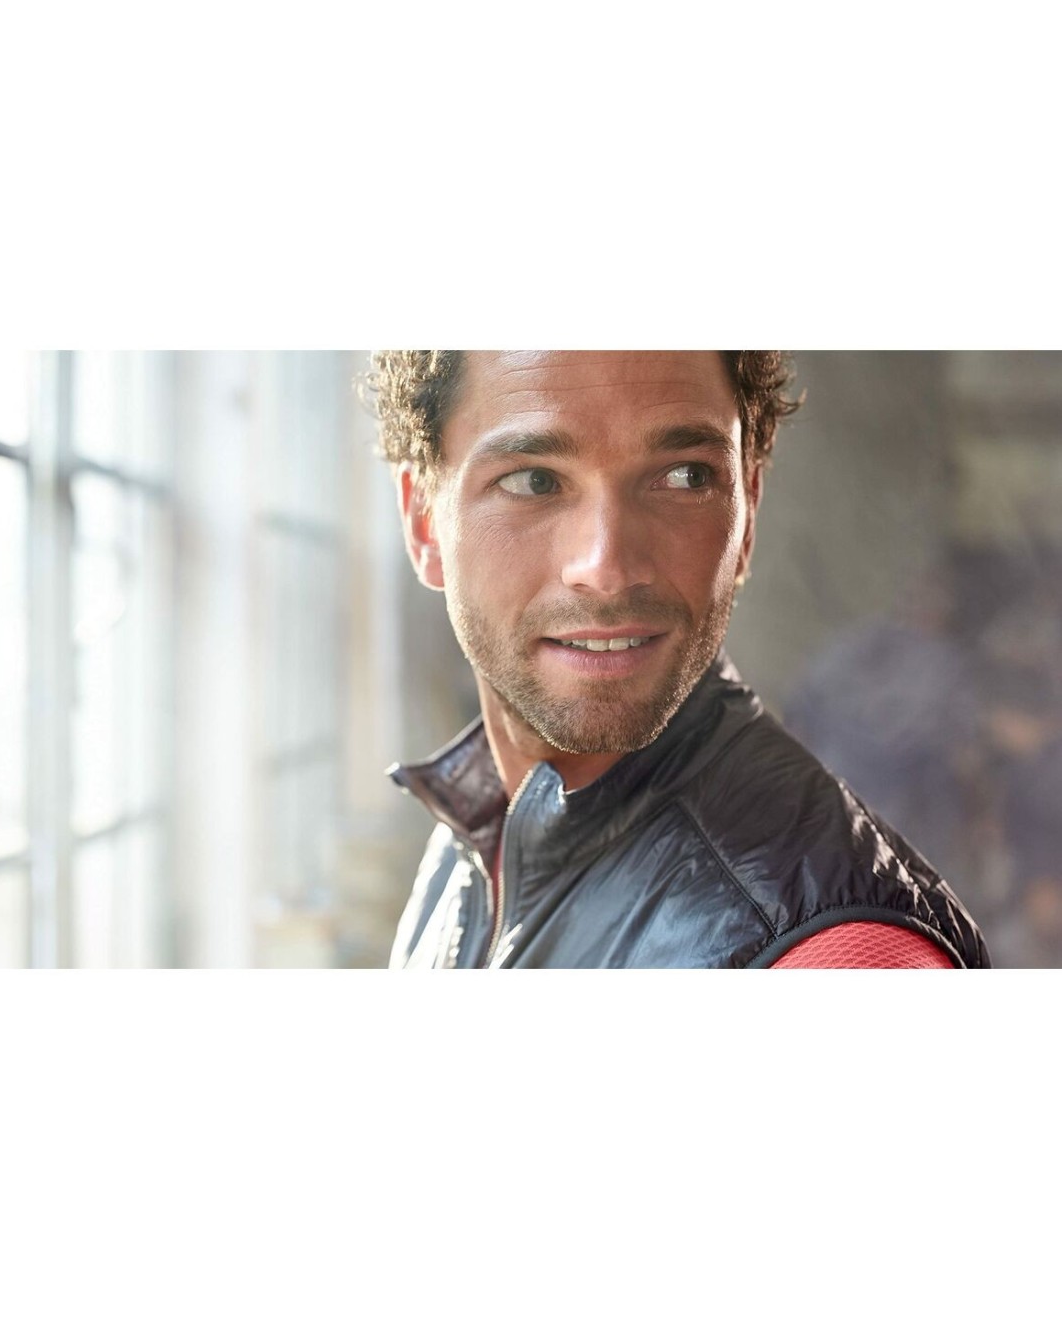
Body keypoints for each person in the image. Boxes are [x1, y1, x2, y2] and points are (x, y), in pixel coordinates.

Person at [368, 351, 990, 969]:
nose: (607, 568)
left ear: (747, 516)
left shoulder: (841, 962)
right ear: (425, 522)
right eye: (535, 481)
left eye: (685, 476)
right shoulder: (475, 837)